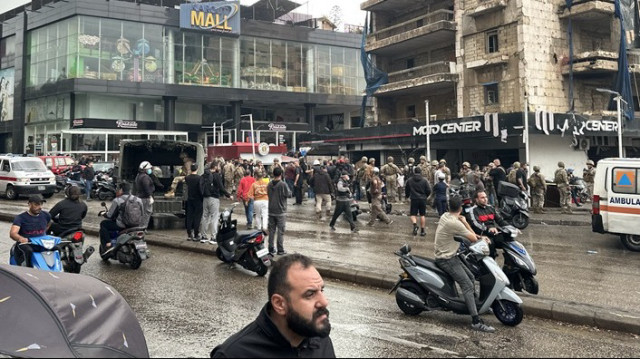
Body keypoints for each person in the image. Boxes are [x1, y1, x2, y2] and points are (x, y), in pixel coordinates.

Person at [210, 254, 335, 358]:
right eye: (310, 294)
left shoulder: (318, 335)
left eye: (321, 290)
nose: (324, 302)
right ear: (279, 304)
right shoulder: (233, 354)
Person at [435, 196, 495, 333]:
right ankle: (475, 320)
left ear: (449, 207)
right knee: (467, 285)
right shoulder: (455, 223)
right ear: (461, 208)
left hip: (452, 254)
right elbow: (473, 238)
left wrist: (477, 235)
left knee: (471, 278)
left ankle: (473, 305)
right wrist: (466, 222)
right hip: (446, 259)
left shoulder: (446, 216)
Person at [10, 195, 51, 267]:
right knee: (29, 251)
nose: (40, 207)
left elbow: (49, 224)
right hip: (26, 244)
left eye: (41, 204)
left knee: (57, 248)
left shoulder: (46, 215)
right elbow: (13, 233)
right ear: (29, 204)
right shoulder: (20, 218)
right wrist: (21, 238)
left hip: (40, 243)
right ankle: (28, 269)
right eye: (36, 204)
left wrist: (43, 233)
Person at [99, 183, 142, 250]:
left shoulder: (117, 200)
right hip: (137, 224)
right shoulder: (138, 199)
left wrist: (103, 214)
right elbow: (142, 212)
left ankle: (108, 243)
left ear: (121, 190)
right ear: (130, 190)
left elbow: (110, 215)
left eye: (118, 189)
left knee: (103, 224)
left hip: (122, 225)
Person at [469, 190, 509, 258]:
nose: (485, 199)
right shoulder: (473, 210)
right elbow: (476, 224)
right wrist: (488, 229)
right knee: (491, 244)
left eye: (486, 197)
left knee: (508, 240)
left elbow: (500, 220)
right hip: (482, 234)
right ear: (477, 199)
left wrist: (510, 227)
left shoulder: (491, 208)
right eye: (482, 198)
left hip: (494, 232)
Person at [200, 161, 231, 244]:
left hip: (205, 198)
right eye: (219, 166)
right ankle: (213, 237)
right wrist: (228, 195)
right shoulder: (216, 175)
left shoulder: (204, 174)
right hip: (214, 198)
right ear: (215, 167)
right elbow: (221, 187)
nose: (220, 168)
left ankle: (203, 236)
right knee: (214, 217)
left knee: (205, 217)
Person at [267, 167, 291, 255]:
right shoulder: (283, 184)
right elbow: (289, 194)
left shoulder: (269, 184)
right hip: (281, 211)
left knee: (272, 231)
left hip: (271, 210)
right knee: (280, 231)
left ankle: (270, 248)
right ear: (281, 174)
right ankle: (280, 250)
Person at [405, 167, 432, 236]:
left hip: (414, 199)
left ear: (414, 172)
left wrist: (407, 196)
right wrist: (425, 196)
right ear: (421, 172)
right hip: (423, 199)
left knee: (413, 214)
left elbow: (407, 190)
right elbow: (429, 190)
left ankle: (415, 225)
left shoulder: (410, 180)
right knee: (422, 215)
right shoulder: (424, 180)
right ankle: (422, 231)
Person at [185, 164, 203, 241]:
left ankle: (189, 234)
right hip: (198, 199)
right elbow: (200, 189)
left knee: (189, 216)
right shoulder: (199, 178)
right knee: (197, 217)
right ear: (197, 169)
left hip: (189, 199)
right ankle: (196, 234)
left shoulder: (187, 178)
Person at [135, 161, 155, 229]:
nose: (150, 170)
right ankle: (143, 228)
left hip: (140, 196)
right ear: (145, 169)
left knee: (141, 213)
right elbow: (146, 187)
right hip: (145, 198)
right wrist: (150, 196)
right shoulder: (145, 177)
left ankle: (140, 227)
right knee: (146, 213)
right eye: (149, 168)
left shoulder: (138, 176)